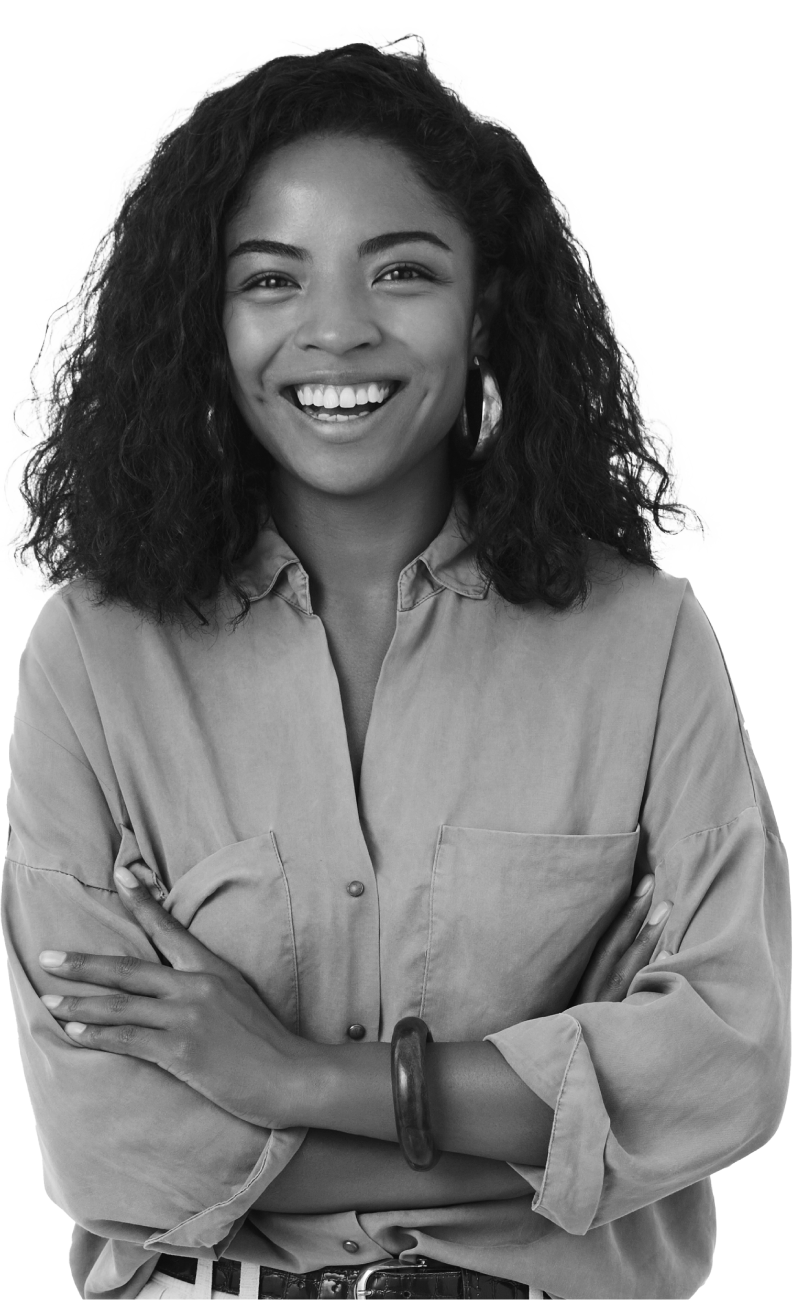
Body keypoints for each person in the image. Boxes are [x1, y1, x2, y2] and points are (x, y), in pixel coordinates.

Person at [2, 36, 790, 1300]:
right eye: (270, 279)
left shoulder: (643, 644)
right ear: (204, 319)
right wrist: (569, 1136)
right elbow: (113, 1147)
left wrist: (292, 1079)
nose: (335, 330)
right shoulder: (94, 660)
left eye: (402, 271)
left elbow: (725, 1066)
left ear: (483, 307)